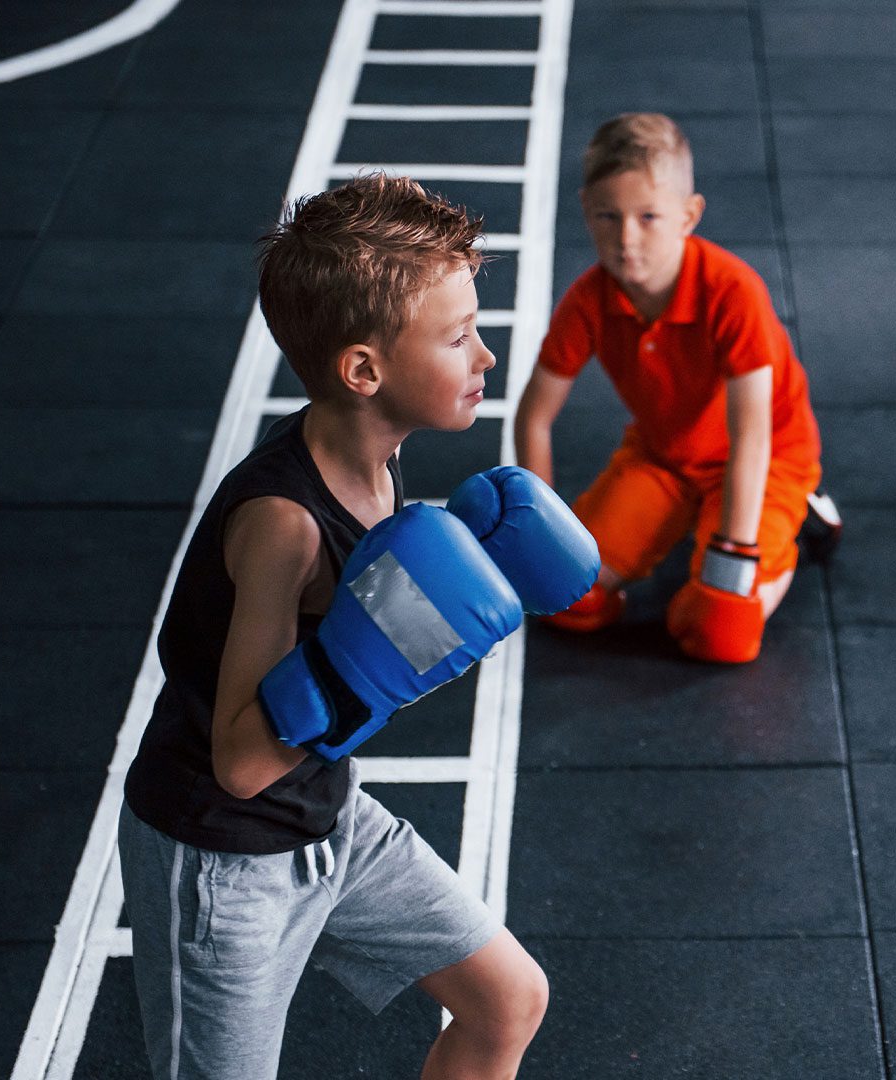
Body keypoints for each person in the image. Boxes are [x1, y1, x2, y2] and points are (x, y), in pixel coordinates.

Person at [119, 174, 592, 1079]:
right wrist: (370, 667)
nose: (486, 357)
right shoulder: (282, 527)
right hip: (220, 862)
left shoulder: (378, 466)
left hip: (329, 824)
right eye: (457, 339)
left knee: (507, 999)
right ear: (364, 371)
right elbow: (243, 762)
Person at [514, 112, 827, 664]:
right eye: (608, 216)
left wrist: (734, 555)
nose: (626, 239)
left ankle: (792, 526)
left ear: (689, 216)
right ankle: (685, 529)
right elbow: (534, 417)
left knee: (720, 632)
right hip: (664, 457)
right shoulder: (588, 300)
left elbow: (752, 437)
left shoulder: (733, 293)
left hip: (764, 461)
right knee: (566, 600)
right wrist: (541, 529)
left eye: (648, 217)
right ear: (587, 210)